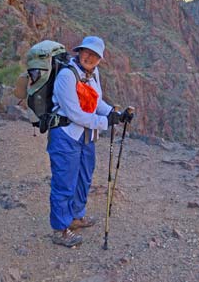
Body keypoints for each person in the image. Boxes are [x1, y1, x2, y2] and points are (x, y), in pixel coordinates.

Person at [47, 36, 124, 247]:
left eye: (95, 55)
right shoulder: (66, 76)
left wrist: (116, 114)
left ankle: (76, 216)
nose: (90, 57)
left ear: (99, 59)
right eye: (86, 52)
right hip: (65, 136)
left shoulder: (92, 73)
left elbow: (96, 101)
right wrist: (105, 122)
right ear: (79, 52)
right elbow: (76, 114)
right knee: (64, 182)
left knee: (84, 177)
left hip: (86, 136)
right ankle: (60, 229)